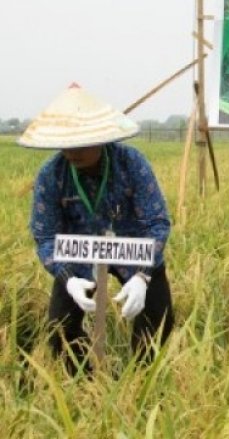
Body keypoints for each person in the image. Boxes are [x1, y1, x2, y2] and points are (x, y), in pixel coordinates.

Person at [19, 83, 174, 373]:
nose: (72, 153)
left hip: (134, 250)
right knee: (59, 329)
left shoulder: (131, 164)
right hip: (80, 252)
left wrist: (142, 277)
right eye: (67, 144)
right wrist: (66, 277)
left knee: (158, 319)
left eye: (81, 144)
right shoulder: (52, 175)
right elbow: (44, 235)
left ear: (102, 139)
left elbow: (157, 222)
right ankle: (86, 384)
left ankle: (142, 381)